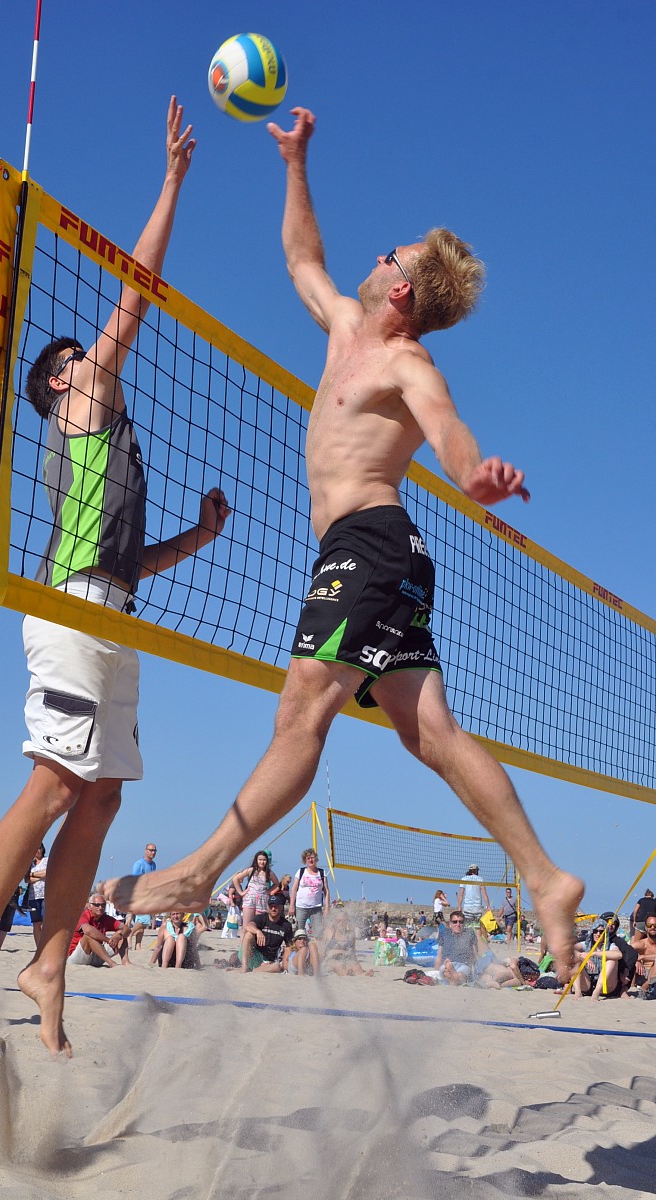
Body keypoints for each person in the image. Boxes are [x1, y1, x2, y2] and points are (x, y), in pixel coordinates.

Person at [103, 105, 584, 982]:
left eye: (388, 256)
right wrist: (295, 161)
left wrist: (475, 477)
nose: (375, 257)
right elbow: (300, 258)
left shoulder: (407, 364)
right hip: (376, 554)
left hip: (369, 542)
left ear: (400, 290)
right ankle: (546, 877)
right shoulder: (341, 329)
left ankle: (199, 873)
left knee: (302, 711)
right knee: (429, 733)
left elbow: (449, 433)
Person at [0, 98, 231, 1056]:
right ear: (58, 385)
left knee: (104, 794)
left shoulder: (106, 438)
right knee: (54, 782)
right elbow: (136, 292)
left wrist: (197, 537)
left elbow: (134, 560)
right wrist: (172, 180)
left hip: (112, 607)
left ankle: (48, 964)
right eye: (77, 358)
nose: (93, 360)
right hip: (70, 608)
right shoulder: (78, 408)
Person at [67, 893, 129, 968]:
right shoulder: (83, 915)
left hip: (97, 954)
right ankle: (111, 963)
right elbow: (88, 930)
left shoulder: (105, 918)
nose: (100, 907)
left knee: (122, 933)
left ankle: (126, 962)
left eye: (103, 905)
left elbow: (127, 929)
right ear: (90, 906)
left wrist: (119, 936)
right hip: (79, 956)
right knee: (88, 936)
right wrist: (108, 940)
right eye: (97, 905)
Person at [239, 895, 294, 973]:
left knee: (276, 967)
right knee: (249, 934)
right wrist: (258, 931)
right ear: (268, 907)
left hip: (269, 959)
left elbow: (289, 946)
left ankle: (254, 970)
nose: (273, 909)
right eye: (271, 906)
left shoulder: (286, 925)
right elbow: (248, 926)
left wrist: (285, 962)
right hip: (254, 954)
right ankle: (244, 967)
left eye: (276, 906)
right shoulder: (261, 918)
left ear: (281, 907)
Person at [572, 920, 622, 1000]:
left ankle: (596, 992)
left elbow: (619, 954)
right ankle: (578, 992)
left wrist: (593, 953)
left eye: (601, 932)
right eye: (595, 931)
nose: (598, 934)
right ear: (592, 932)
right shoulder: (586, 944)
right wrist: (583, 957)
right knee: (574, 959)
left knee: (612, 960)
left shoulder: (610, 946)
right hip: (587, 983)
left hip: (605, 986)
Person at [233, 851, 280, 931]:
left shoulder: (269, 872)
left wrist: (268, 891)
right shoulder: (251, 870)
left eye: (264, 860)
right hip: (250, 898)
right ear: (256, 860)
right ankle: (244, 939)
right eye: (260, 860)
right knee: (246, 926)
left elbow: (276, 883)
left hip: (262, 899)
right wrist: (241, 892)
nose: (262, 862)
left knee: (259, 925)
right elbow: (235, 879)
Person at [288, 848, 330, 937]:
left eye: (312, 858)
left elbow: (326, 891)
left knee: (318, 933)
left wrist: (327, 908)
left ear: (316, 859)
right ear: (305, 860)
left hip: (316, 908)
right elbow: (294, 889)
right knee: (299, 932)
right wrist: (291, 906)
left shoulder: (322, 873)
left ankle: (315, 946)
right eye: (308, 858)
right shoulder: (301, 871)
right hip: (301, 907)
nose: (310, 860)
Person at [320, 909, 374, 977]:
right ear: (334, 921)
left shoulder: (350, 935)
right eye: (339, 921)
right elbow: (322, 951)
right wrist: (337, 952)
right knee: (338, 965)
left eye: (344, 921)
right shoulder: (329, 933)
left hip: (345, 959)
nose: (341, 923)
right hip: (331, 959)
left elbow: (353, 952)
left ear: (347, 922)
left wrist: (356, 962)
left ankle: (361, 974)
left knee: (355, 965)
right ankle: (346, 974)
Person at [434, 910, 480, 986]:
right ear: (450, 924)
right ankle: (453, 975)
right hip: (447, 964)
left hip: (464, 964)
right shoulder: (444, 933)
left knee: (460, 974)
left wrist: (476, 970)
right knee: (446, 971)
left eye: (460, 922)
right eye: (455, 922)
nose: (458, 924)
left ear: (464, 924)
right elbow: (439, 955)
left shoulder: (469, 933)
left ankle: (453, 978)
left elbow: (475, 953)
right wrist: (435, 972)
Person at [457, 866, 491, 934]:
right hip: (477, 907)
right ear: (476, 871)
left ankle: (468, 940)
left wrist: (459, 906)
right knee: (477, 928)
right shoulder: (480, 879)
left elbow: (461, 894)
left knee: (467, 927)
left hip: (467, 907)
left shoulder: (464, 879)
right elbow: (484, 894)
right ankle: (477, 940)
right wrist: (488, 906)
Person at [26, 843, 48, 946]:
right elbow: (26, 879)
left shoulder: (46, 860)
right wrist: (40, 877)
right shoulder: (30, 863)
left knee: (45, 922)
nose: (38, 851)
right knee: (36, 922)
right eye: (36, 849)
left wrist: (33, 874)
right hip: (33, 896)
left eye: (39, 848)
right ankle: (38, 946)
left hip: (45, 895)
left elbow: (47, 873)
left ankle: (44, 944)